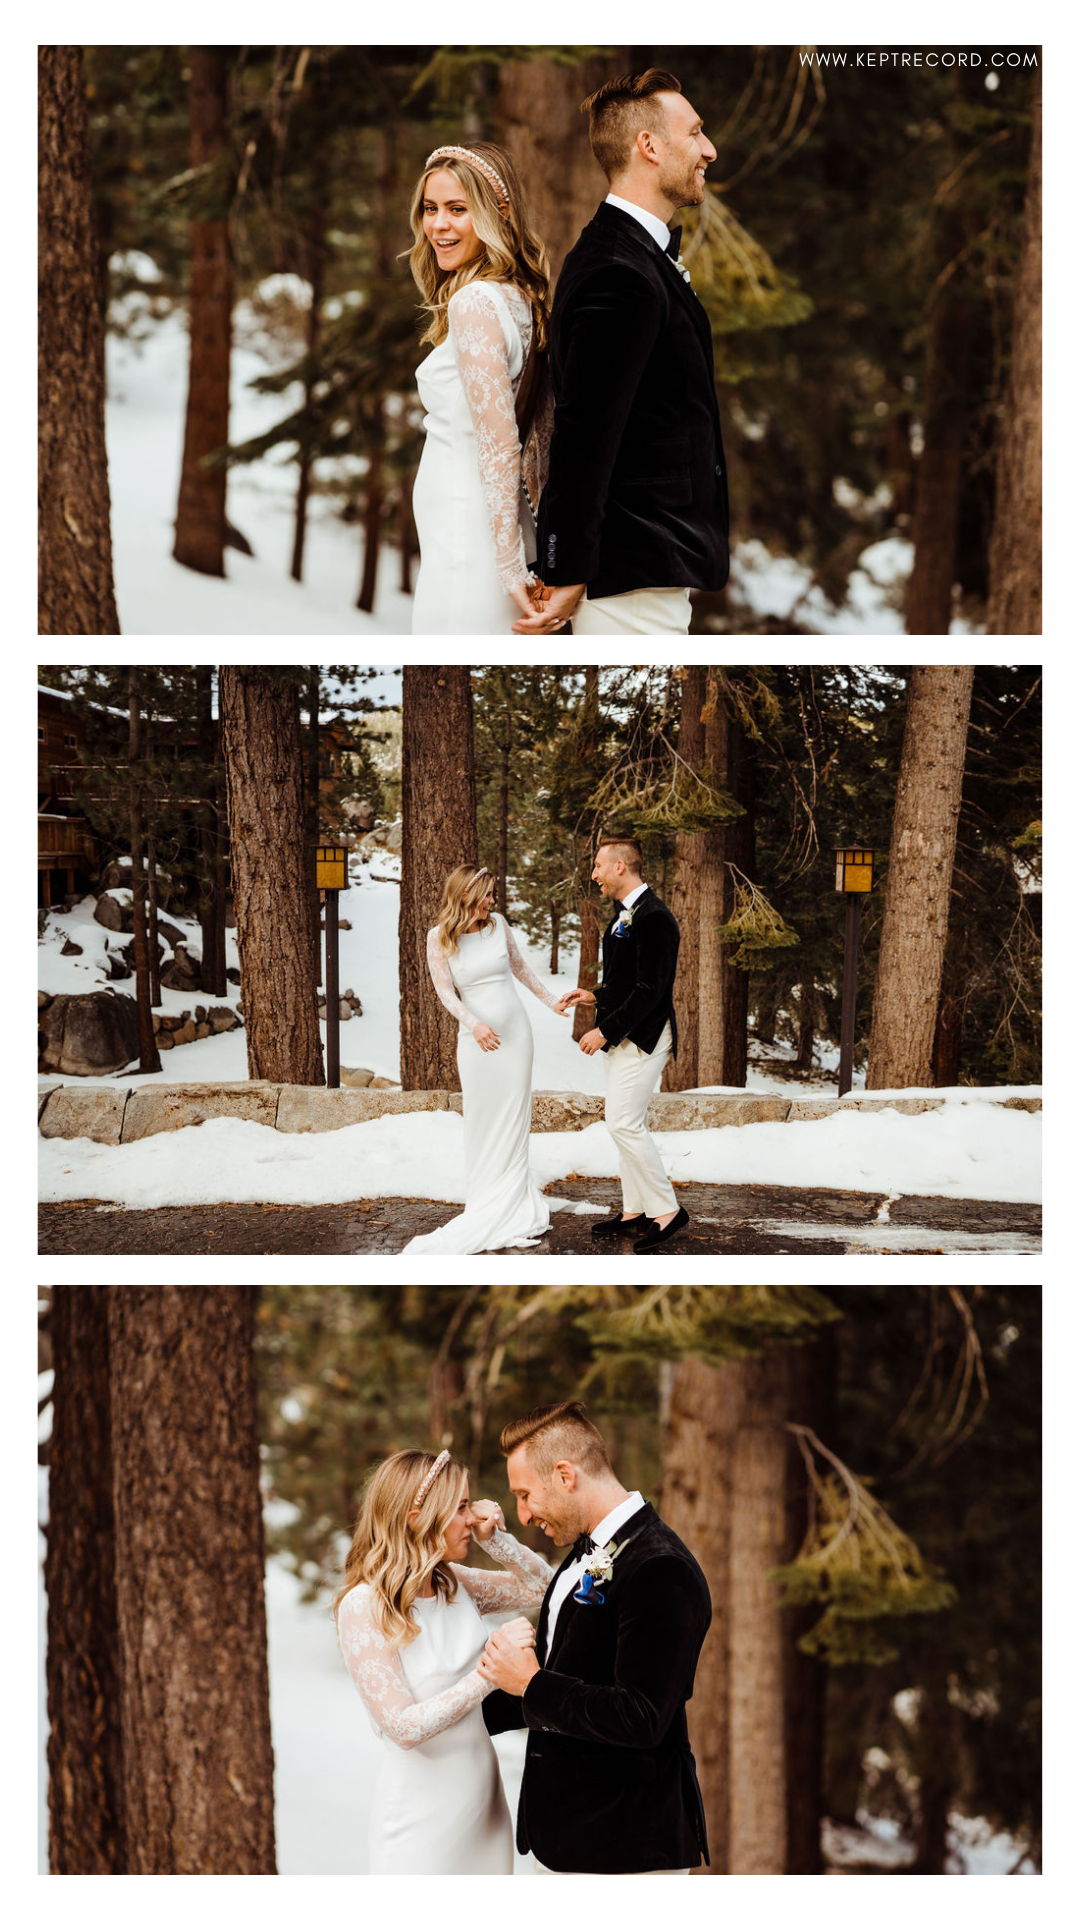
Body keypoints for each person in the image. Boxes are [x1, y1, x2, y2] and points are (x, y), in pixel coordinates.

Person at [513, 69, 729, 638]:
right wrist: (567, 565)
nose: (710, 149)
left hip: (648, 566)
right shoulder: (618, 270)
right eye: (696, 133)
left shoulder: (631, 256)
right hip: (629, 577)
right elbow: (583, 432)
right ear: (649, 146)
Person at [478, 1401, 711, 1875]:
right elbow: (569, 1665)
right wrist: (447, 1720)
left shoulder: (659, 1567)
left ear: (565, 1475)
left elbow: (641, 1716)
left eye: (525, 1495)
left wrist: (531, 1685)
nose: (521, 1515)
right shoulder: (598, 1551)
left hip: (626, 1849)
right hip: (569, 1838)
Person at [336, 1447, 553, 1874]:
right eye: (460, 1508)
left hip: (483, 1806)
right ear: (417, 1516)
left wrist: (498, 1542)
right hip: (420, 1820)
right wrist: (491, 1670)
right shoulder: (364, 1606)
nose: (471, 1518)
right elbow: (402, 1728)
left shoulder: (453, 1584)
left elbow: (545, 1588)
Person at [406, 142, 554, 633]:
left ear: (496, 213)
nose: (439, 226)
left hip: (468, 534)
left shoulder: (476, 302)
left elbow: (500, 442)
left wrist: (508, 564)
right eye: (431, 209)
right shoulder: (518, 297)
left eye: (457, 209)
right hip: (470, 530)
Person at [401, 865, 569, 1255]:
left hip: (516, 1037)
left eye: (493, 895)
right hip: (475, 1041)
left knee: (513, 1116)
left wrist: (551, 1001)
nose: (493, 901)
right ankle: (485, 1203)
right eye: (487, 895)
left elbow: (521, 970)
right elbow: (446, 994)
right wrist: (474, 1024)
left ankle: (513, 1202)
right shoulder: (438, 938)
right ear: (465, 897)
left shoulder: (498, 926)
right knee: (481, 1118)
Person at [557, 837, 689, 1251]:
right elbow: (625, 982)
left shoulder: (655, 919)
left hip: (645, 1038)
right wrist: (593, 996)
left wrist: (604, 1031)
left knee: (624, 1123)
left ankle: (667, 1211)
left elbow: (651, 990)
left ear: (619, 867)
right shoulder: (623, 914)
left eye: (598, 866)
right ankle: (635, 1210)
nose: (593, 874)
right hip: (624, 1037)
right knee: (623, 1122)